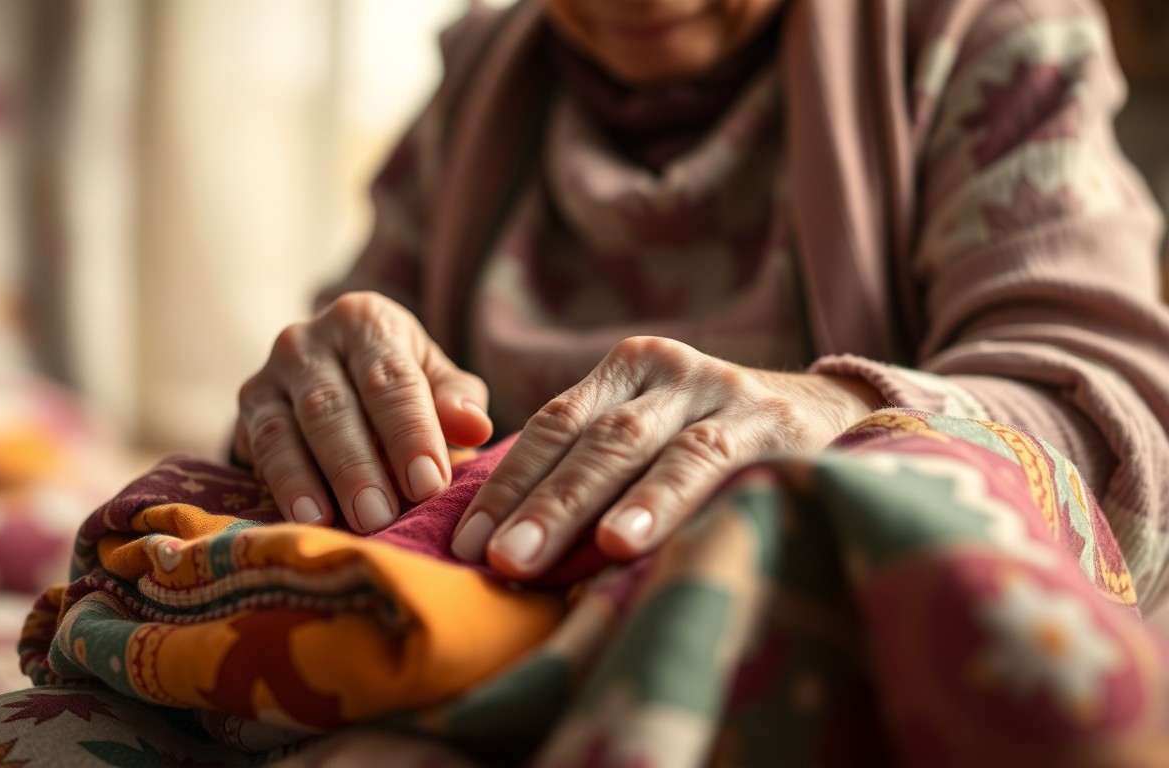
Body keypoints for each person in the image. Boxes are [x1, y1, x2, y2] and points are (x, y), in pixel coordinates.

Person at [234, 0, 1169, 603]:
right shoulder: (485, 69)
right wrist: (326, 393)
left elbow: (1124, 436)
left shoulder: (982, 34)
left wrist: (842, 412)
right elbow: (321, 406)